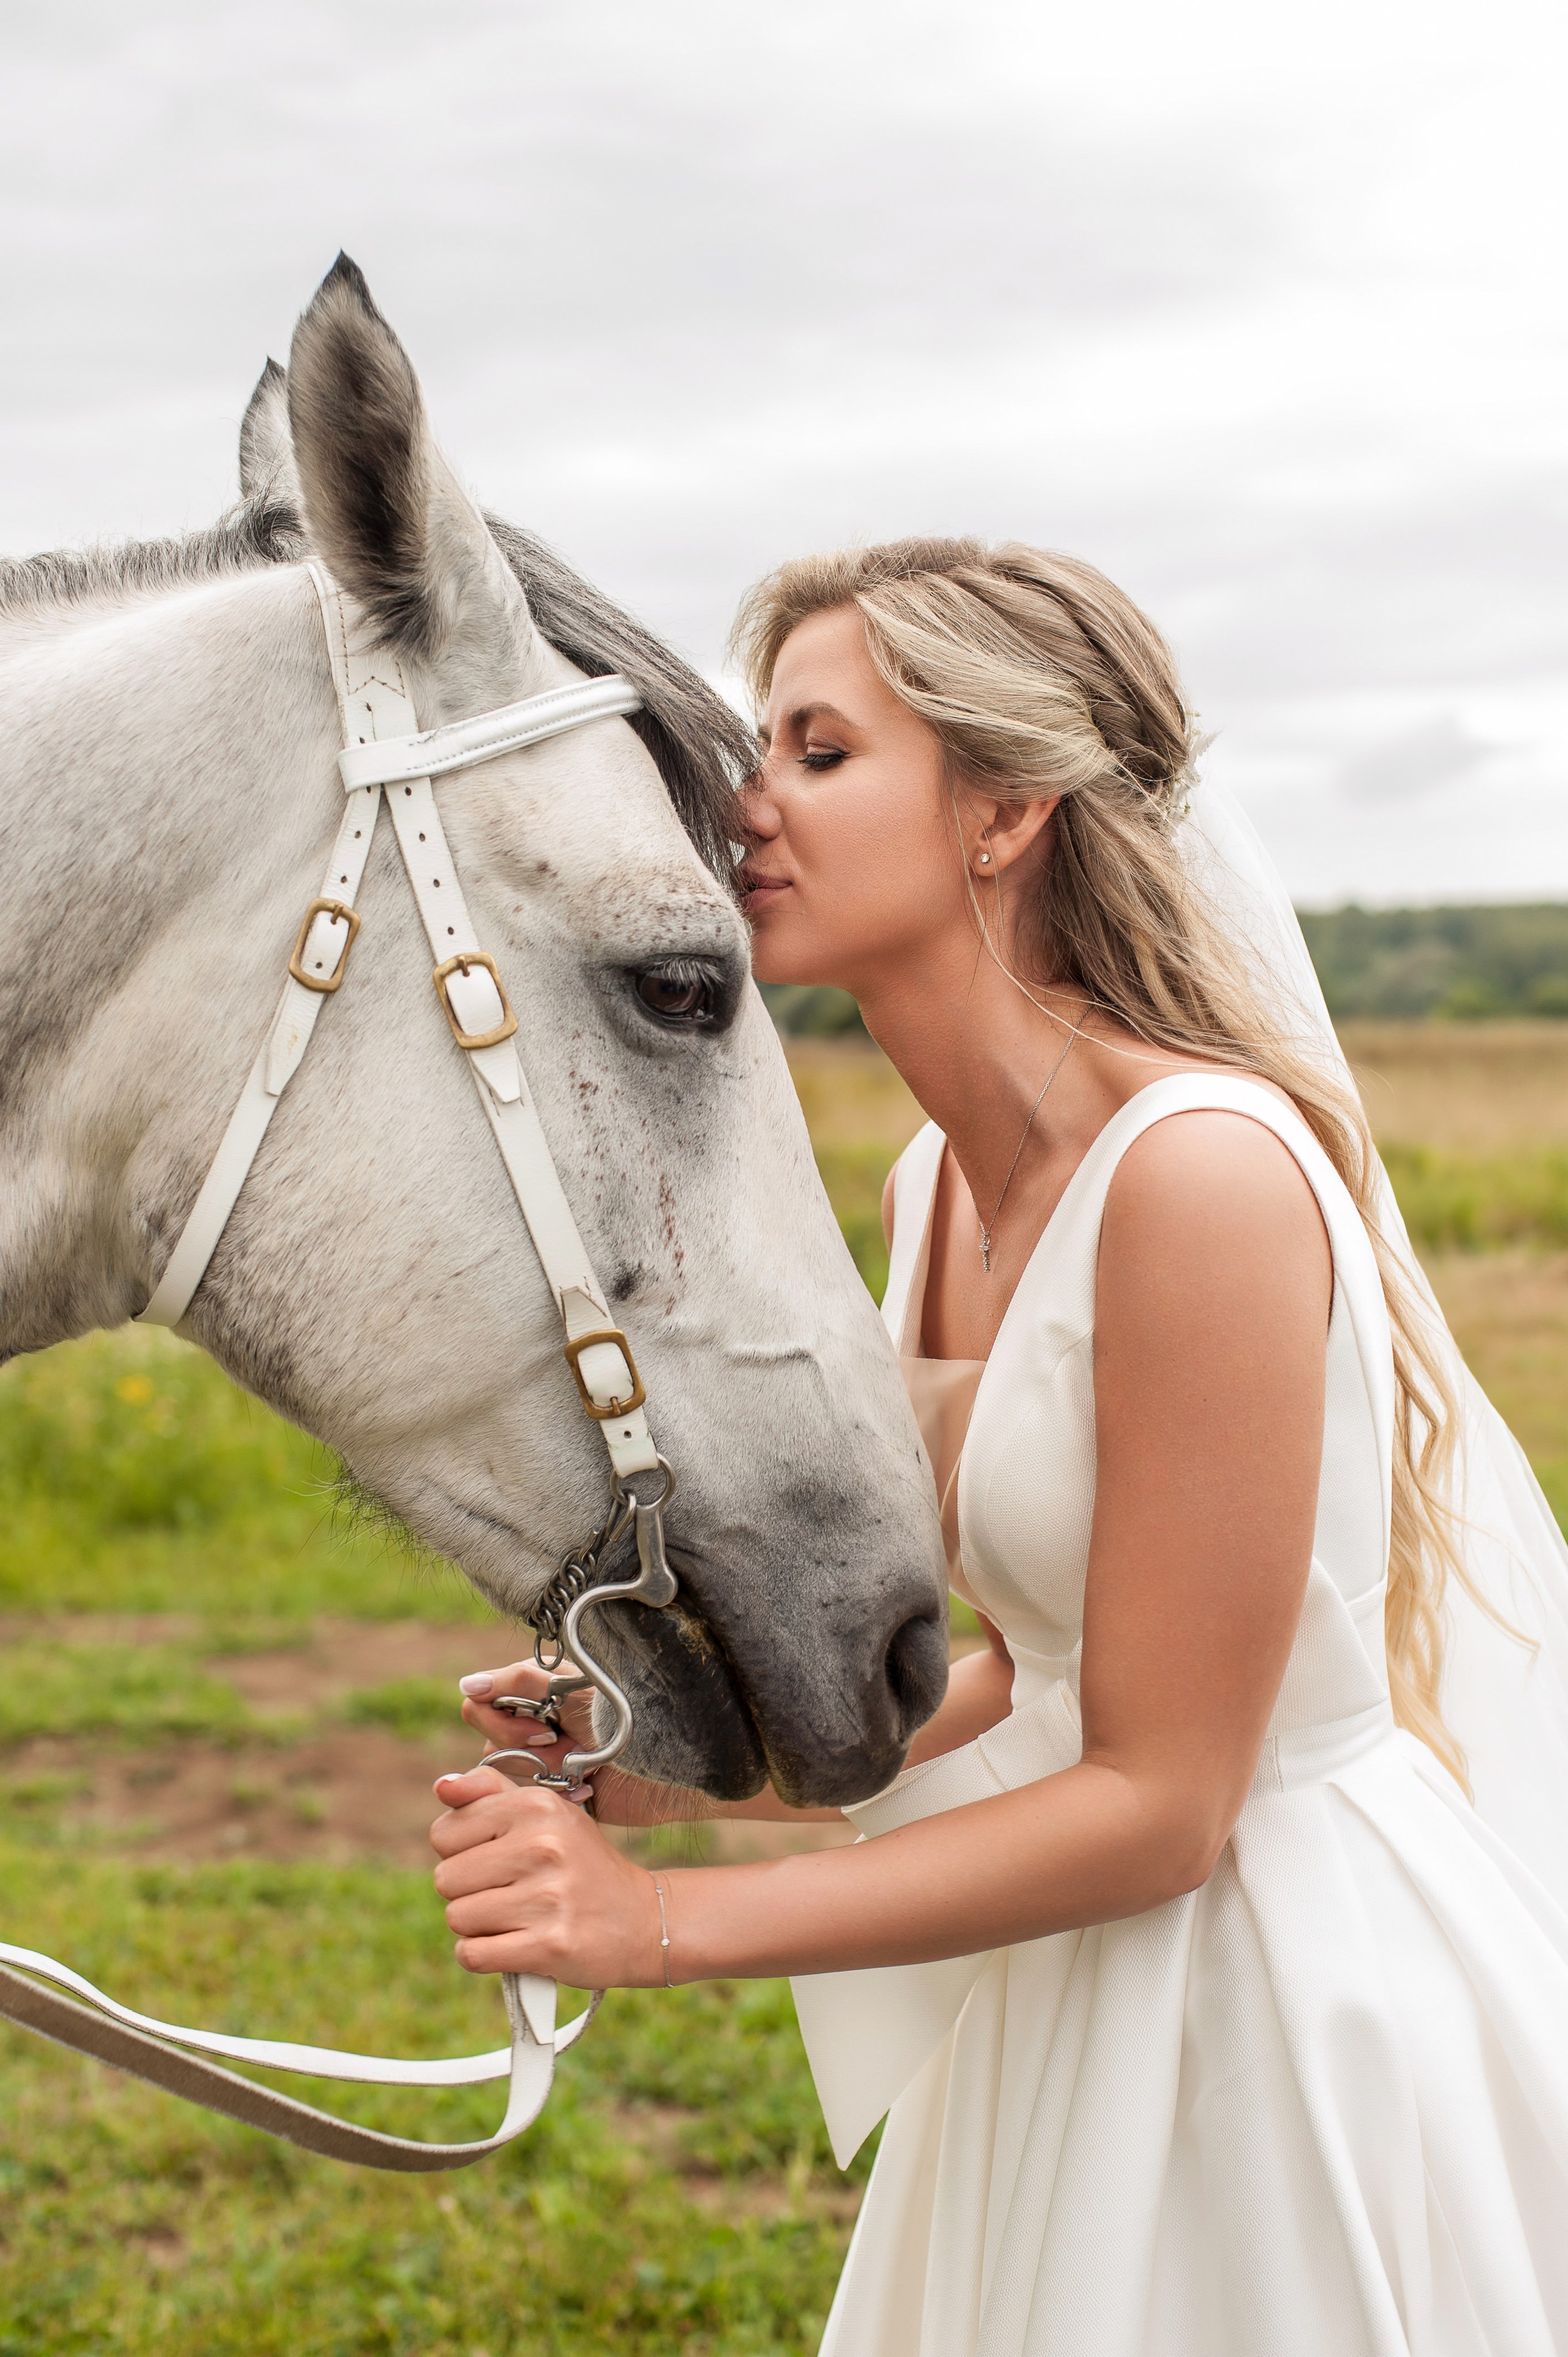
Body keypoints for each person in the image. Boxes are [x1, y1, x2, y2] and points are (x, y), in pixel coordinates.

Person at [431, 539, 1568, 2356]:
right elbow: (1029, 1670)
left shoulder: (1199, 1175)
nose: (747, 801)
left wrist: (659, 1926)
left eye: (818, 750)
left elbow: (1171, 1797)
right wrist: (684, 1764)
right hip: (1075, 1984)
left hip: (1275, 2010)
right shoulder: (931, 1177)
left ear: (1006, 809)